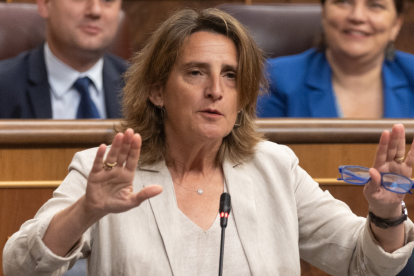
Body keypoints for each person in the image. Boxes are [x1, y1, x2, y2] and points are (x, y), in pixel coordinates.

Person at [3, 8, 414, 276]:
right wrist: (85, 212)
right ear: (157, 90)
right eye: (196, 72)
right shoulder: (106, 168)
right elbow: (18, 266)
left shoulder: (276, 168)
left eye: (231, 75)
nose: (216, 90)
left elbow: (368, 264)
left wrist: (386, 213)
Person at [257, 0, 414, 118]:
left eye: (375, 5)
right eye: (343, 1)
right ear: (323, 14)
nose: (357, 16)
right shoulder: (273, 79)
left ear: (396, 24)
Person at [0, 0, 127, 119]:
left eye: (108, 0)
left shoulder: (141, 87)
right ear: (44, 4)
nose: (95, 11)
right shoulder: (4, 87)